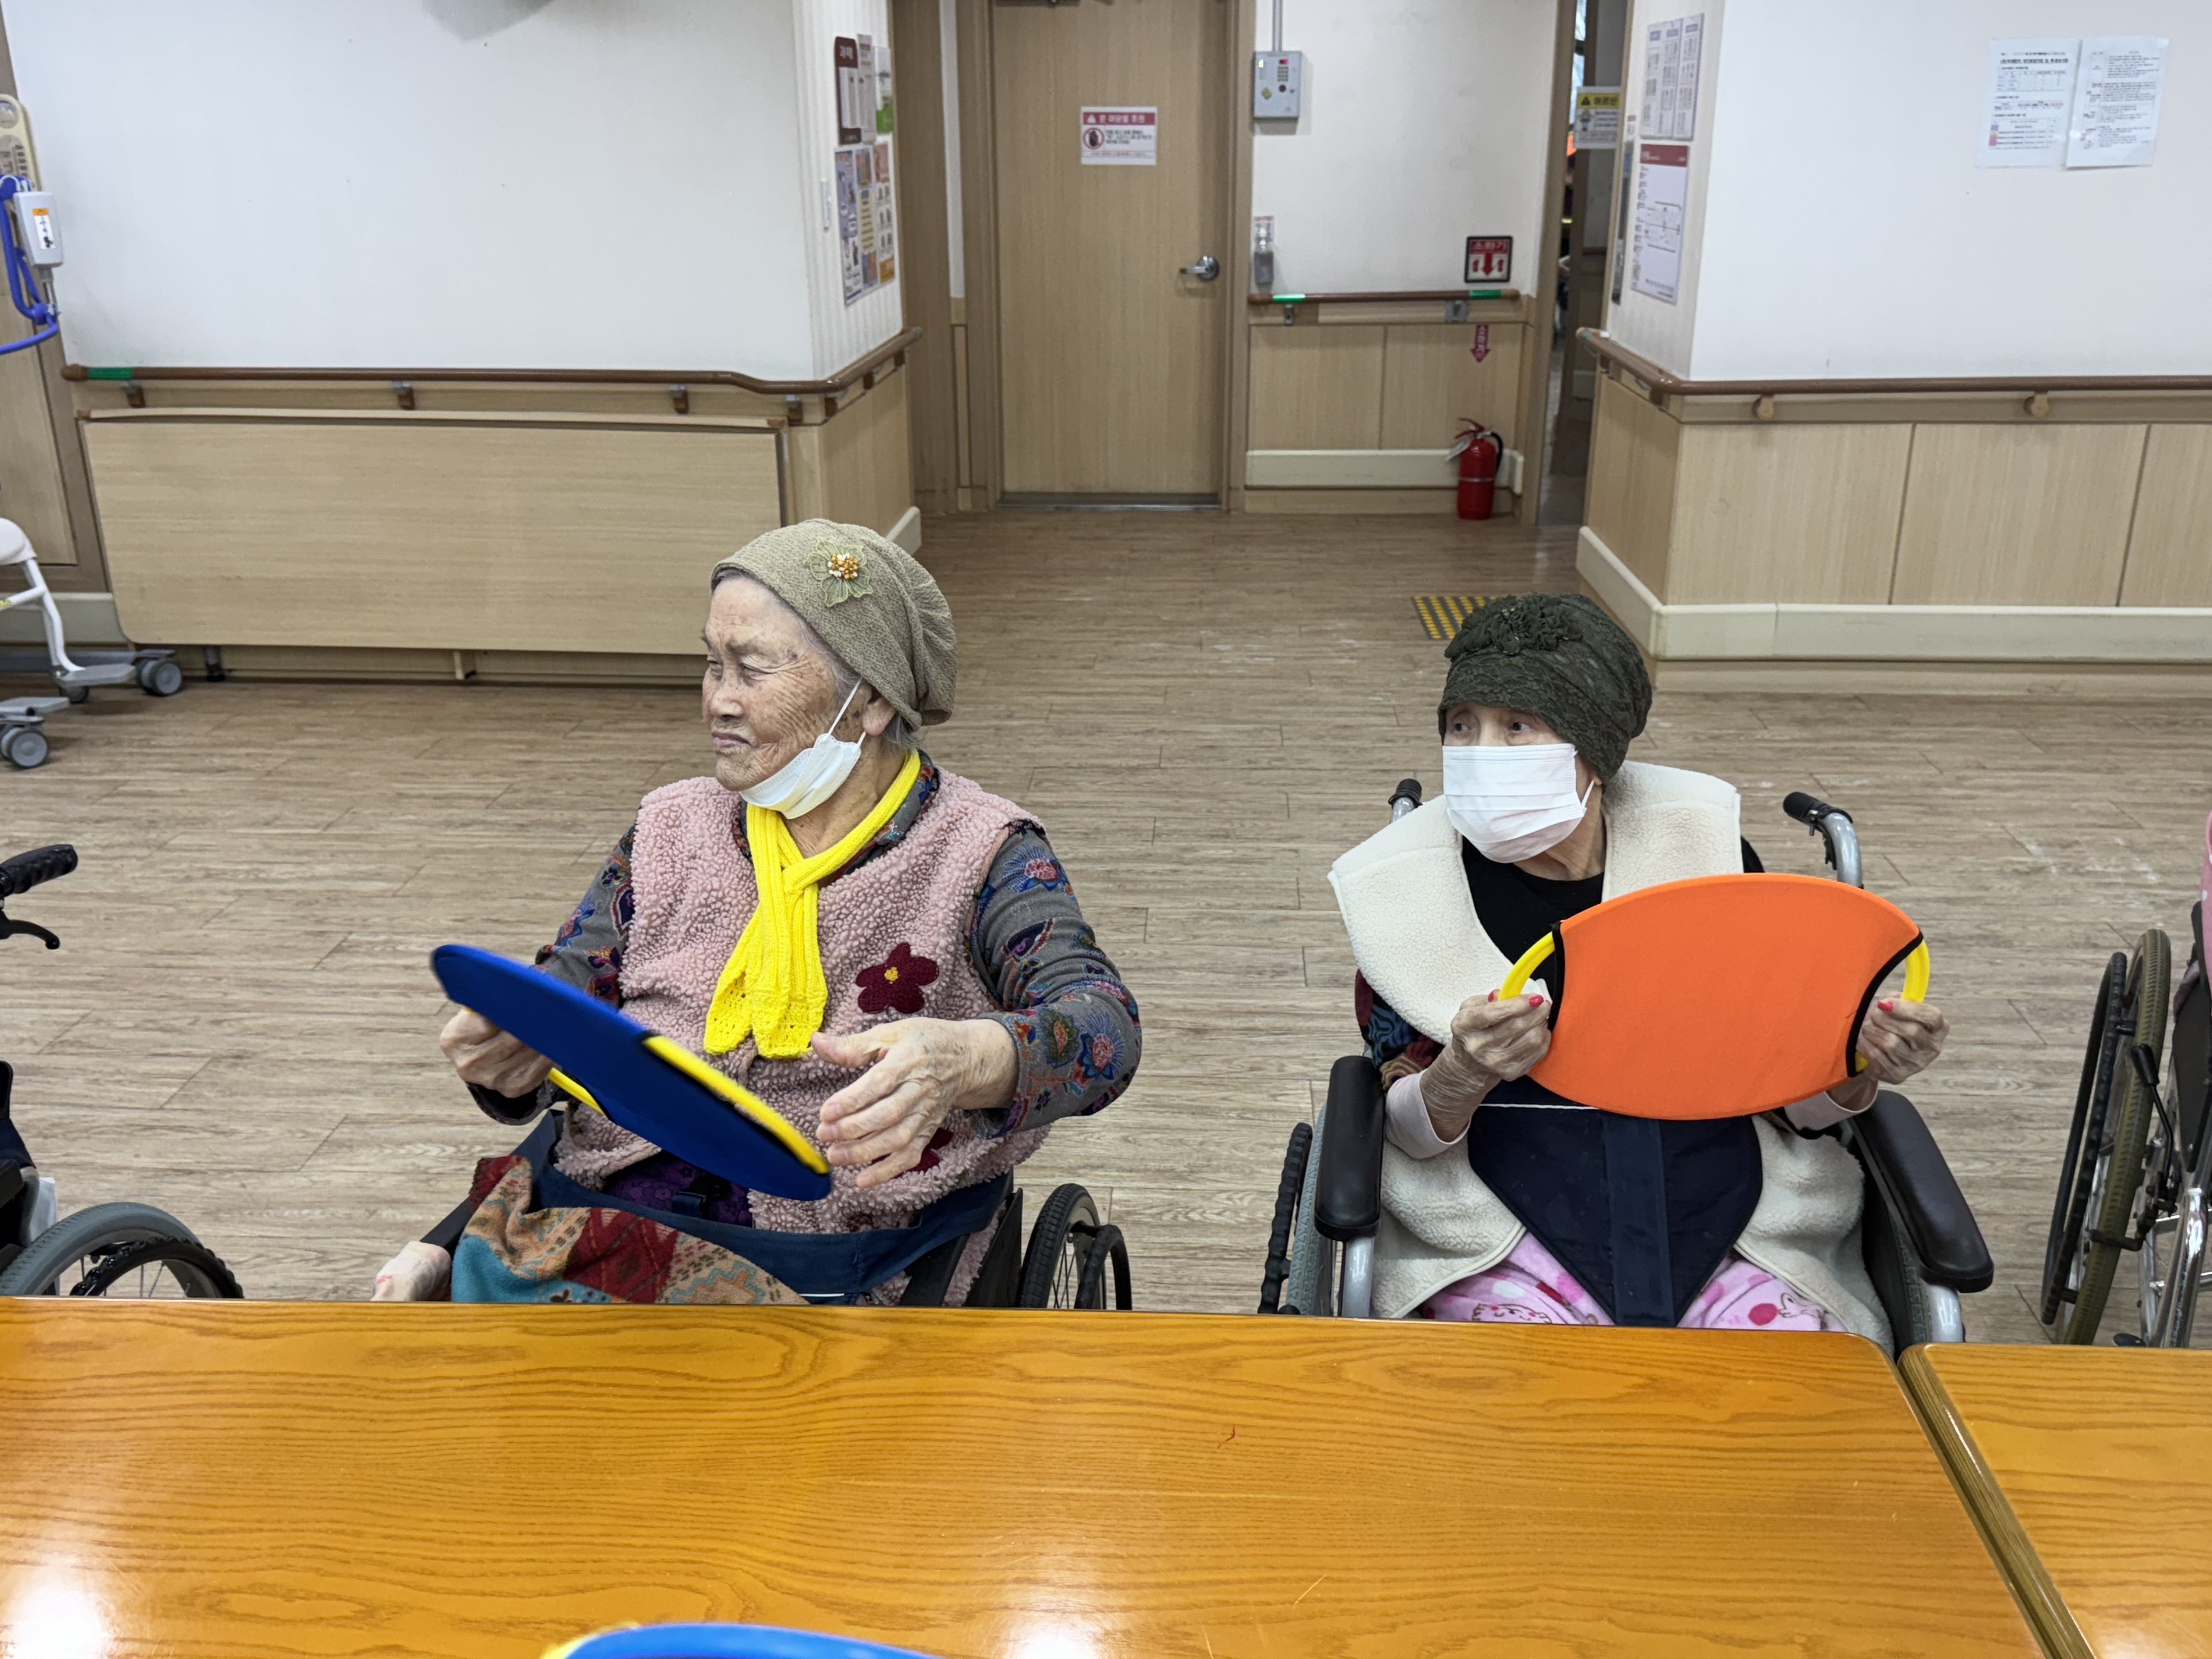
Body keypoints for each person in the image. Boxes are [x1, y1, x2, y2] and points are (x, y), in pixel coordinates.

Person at [374, 520, 1139, 1306]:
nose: (719, 701)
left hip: (836, 1251)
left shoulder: (981, 853)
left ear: (872, 700)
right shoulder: (670, 829)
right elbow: (571, 993)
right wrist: (513, 1051)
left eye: (753, 669)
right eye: (712, 665)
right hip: (606, 1213)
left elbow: (1104, 1028)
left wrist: (967, 1058)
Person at [1328, 594, 1947, 1340]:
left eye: (1518, 726)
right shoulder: (1407, 896)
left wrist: (1859, 1065)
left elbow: (1794, 1104)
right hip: (1503, 1221)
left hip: (1722, 1203)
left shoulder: (1709, 866)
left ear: (1592, 746)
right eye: (1462, 725)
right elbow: (1403, 1134)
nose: (1480, 752)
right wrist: (1461, 1074)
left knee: (1779, 1388)